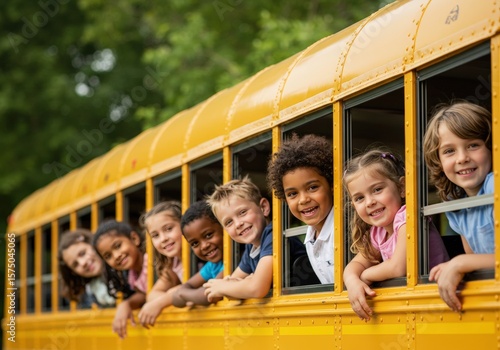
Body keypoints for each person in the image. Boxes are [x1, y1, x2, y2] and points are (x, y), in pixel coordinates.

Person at [343, 148, 448, 320]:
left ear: (401, 187)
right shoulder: (377, 232)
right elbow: (353, 266)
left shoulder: (407, 216)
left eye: (377, 190)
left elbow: (399, 267)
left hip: (437, 297)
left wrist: (365, 275)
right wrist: (353, 282)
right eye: (359, 198)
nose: (369, 202)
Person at [423, 101, 494, 312]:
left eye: (473, 145)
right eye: (449, 151)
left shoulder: (494, 185)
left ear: (491, 147)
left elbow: (468, 260)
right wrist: (458, 264)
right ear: (438, 161)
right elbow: (473, 258)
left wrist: (459, 263)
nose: (462, 158)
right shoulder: (456, 204)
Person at [203, 176, 306, 301]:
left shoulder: (274, 234)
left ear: (264, 207)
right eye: (229, 222)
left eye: (242, 212)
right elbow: (224, 295)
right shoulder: (251, 248)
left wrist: (246, 283)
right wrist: (244, 283)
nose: (238, 224)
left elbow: (257, 289)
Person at [267, 134, 334, 284]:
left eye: (312, 187)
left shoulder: (347, 230)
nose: (303, 199)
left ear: (331, 185)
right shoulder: (310, 237)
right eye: (293, 194)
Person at [93, 220, 146, 339]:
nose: (116, 256)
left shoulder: (152, 262)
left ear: (134, 239)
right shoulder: (132, 274)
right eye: (108, 256)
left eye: (118, 246)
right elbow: (143, 293)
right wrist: (126, 304)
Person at [137, 201, 184, 326]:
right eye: (155, 235)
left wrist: (163, 301)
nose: (163, 238)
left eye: (168, 229)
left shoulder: (200, 258)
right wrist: (174, 294)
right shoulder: (173, 263)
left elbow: (195, 288)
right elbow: (152, 295)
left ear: (184, 225)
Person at [172, 200, 224, 307]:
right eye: (195, 243)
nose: (204, 246)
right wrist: (190, 294)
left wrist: (183, 293)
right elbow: (176, 300)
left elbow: (209, 296)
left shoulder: (234, 260)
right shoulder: (212, 266)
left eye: (209, 235)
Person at [59, 229, 115, 308]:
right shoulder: (88, 295)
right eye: (75, 264)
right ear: (74, 272)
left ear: (92, 243)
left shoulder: (124, 268)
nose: (83, 263)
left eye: (82, 253)